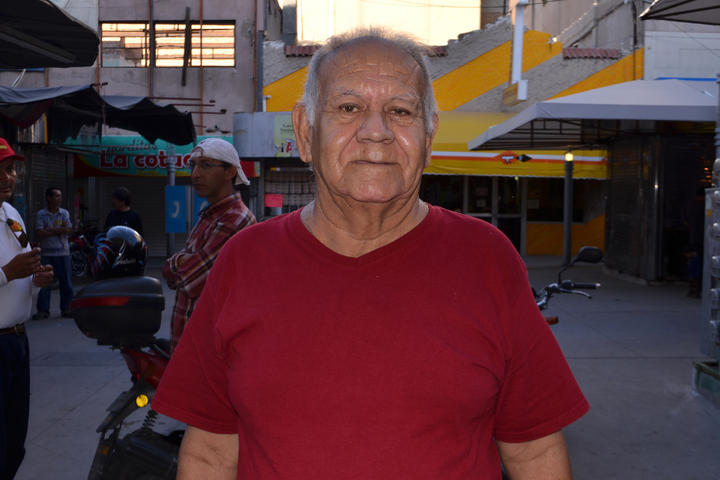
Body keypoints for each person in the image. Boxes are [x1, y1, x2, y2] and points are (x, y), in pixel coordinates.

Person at [153, 29, 589, 479]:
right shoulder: (245, 261)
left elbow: (534, 452)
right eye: (348, 108)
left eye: (401, 111)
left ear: (429, 137)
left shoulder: (487, 259)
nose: (376, 132)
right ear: (305, 131)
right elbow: (210, 453)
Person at [162, 137, 256, 349]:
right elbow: (178, 274)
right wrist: (183, 262)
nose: (195, 174)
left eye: (205, 165)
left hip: (208, 348)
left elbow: (190, 280)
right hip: (191, 345)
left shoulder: (234, 219)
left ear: (230, 172)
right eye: (193, 166)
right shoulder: (210, 216)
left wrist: (175, 262)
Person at [0, 137, 54, 479]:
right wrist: (7, 273)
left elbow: (24, 268)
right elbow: (11, 270)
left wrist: (36, 279)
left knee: (14, 439)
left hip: (17, 341)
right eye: (1, 170)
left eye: (11, 169)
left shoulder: (11, 214)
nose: (8, 177)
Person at [34, 187, 73, 319]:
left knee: (66, 282)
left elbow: (67, 229)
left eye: (60, 196)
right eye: (57, 196)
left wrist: (49, 230)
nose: (59, 199)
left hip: (63, 253)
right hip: (46, 253)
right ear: (49, 198)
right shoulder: (41, 214)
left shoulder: (64, 213)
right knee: (44, 282)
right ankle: (43, 310)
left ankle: (67, 308)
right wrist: (58, 230)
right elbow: (39, 232)